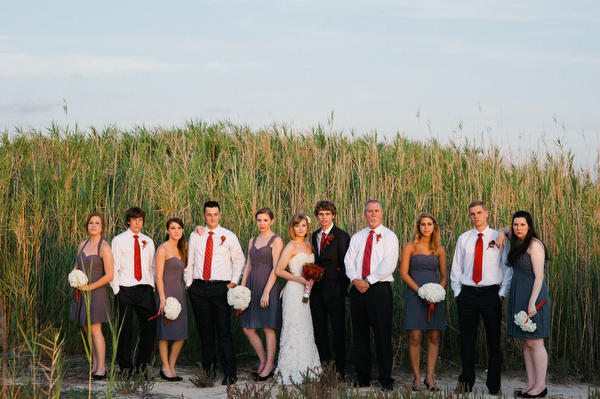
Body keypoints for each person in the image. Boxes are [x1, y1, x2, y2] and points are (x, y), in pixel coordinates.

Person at [450, 201, 512, 395]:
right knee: (467, 340)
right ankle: (466, 382)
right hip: (467, 294)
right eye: (472, 214)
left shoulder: (498, 237)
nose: (475, 216)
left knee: (493, 341)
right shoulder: (464, 238)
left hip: (491, 295)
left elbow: (507, 267)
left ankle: (494, 385)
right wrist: (457, 293)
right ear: (469, 216)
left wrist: (501, 294)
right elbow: (456, 268)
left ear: (487, 213)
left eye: (479, 213)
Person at [184, 201, 245, 385]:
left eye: (215, 214)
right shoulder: (196, 235)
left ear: (220, 215)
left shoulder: (229, 236)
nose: (212, 217)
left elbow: (239, 260)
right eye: (208, 214)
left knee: (224, 331)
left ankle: (229, 373)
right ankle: (208, 371)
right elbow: (190, 261)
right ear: (204, 216)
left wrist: (232, 283)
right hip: (199, 288)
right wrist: (189, 285)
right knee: (205, 331)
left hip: (221, 288)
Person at [344, 200, 399, 391]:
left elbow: (388, 264)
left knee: (382, 335)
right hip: (357, 289)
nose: (373, 215)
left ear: (382, 213)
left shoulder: (390, 236)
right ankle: (363, 377)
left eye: (376, 211)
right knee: (360, 334)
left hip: (379, 289)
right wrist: (354, 280)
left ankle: (385, 379)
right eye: (369, 211)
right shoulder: (358, 237)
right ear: (364, 214)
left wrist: (368, 280)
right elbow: (348, 260)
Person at [496, 211, 550, 398]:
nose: (518, 228)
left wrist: (532, 302)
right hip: (519, 293)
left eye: (522, 225)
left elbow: (539, 276)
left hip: (532, 295)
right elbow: (504, 230)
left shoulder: (534, 245)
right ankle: (531, 384)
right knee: (525, 343)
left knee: (535, 342)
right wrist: (502, 232)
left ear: (530, 226)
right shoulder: (516, 238)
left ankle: (541, 386)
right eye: (515, 225)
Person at [399, 212, 447, 391]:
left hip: (435, 297)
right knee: (415, 338)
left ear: (434, 227)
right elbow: (403, 273)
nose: (426, 227)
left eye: (429, 224)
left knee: (434, 337)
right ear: (418, 227)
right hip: (415, 294)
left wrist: (437, 292)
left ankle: (430, 377)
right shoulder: (410, 247)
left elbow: (443, 275)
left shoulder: (439, 249)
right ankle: (417, 378)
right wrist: (420, 292)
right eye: (422, 224)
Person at [275, 213, 321, 384]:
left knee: (306, 328)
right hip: (294, 291)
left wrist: (313, 278)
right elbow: (279, 270)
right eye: (297, 226)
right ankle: (290, 369)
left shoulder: (310, 246)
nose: (300, 228)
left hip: (308, 291)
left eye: (303, 225)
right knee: (293, 328)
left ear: (307, 227)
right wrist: (300, 279)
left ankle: (308, 368)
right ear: (292, 228)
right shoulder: (291, 246)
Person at [110, 207, 156, 377]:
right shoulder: (119, 240)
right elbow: (114, 265)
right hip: (125, 289)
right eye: (134, 219)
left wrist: (152, 285)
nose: (138, 222)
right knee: (125, 330)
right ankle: (126, 368)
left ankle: (142, 366)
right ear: (128, 221)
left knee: (149, 327)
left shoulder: (148, 241)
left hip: (144, 290)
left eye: (141, 219)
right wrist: (116, 290)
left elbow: (152, 266)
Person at [239, 207, 283, 381]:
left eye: (265, 220)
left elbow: (276, 268)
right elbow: (248, 265)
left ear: (271, 221)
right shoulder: (252, 240)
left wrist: (266, 292)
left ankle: (270, 365)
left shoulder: (276, 240)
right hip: (251, 286)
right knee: (248, 328)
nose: (262, 224)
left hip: (268, 287)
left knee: (267, 327)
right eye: (259, 220)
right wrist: (242, 290)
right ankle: (263, 361)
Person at [70, 213, 114, 380]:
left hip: (96, 292)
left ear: (102, 227)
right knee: (87, 329)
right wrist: (74, 278)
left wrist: (89, 287)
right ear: (87, 226)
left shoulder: (104, 248)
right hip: (81, 293)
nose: (93, 226)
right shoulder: (82, 245)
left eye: (97, 223)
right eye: (90, 223)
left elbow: (109, 275)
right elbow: (76, 266)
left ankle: (102, 367)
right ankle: (95, 364)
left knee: (96, 330)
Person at [310, 200, 350, 379]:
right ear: (317, 216)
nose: (324, 217)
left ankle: (340, 371)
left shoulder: (341, 236)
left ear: (333, 215)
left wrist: (342, 289)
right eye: (321, 214)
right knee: (320, 330)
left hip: (335, 291)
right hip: (317, 291)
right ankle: (326, 368)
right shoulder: (314, 235)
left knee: (338, 331)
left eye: (327, 213)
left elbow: (345, 265)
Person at [155, 218, 188, 381]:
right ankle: (165, 367)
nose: (176, 231)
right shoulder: (163, 249)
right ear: (167, 230)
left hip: (179, 291)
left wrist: (198, 228)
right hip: (165, 290)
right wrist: (162, 299)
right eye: (173, 228)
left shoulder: (183, 247)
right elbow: (158, 276)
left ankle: (172, 365)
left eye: (179, 228)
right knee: (165, 332)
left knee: (181, 333)